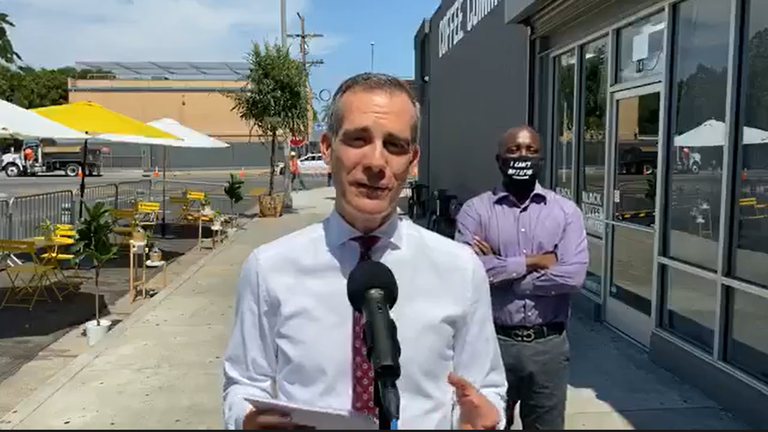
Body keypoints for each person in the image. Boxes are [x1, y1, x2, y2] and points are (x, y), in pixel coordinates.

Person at [223, 72, 506, 430]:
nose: (375, 162)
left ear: (413, 160)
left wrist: (482, 419)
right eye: (358, 139)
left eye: (395, 145)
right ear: (327, 148)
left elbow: (486, 387)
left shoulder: (460, 268)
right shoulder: (269, 268)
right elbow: (244, 384)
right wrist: (248, 420)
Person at [454, 126, 588, 430]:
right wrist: (534, 262)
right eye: (514, 150)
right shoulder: (475, 211)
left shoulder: (565, 212)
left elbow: (573, 275)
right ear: (499, 160)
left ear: (541, 158)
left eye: (531, 150)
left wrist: (505, 272)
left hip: (548, 348)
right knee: (486, 425)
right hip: (491, 343)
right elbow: (466, 272)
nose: (522, 156)